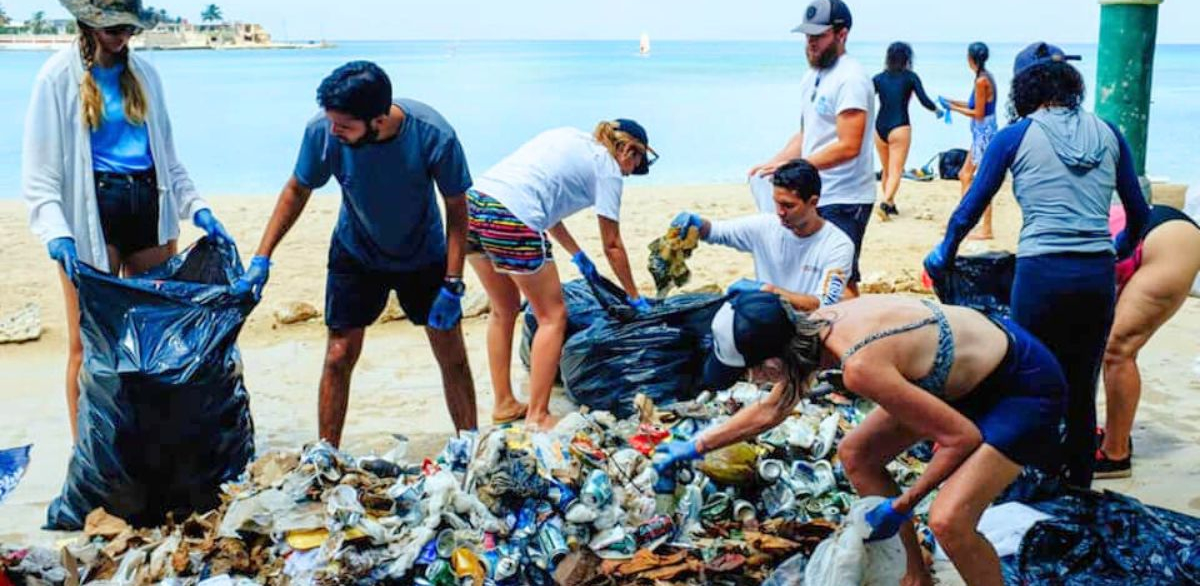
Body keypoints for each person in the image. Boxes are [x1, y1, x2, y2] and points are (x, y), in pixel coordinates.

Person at [655, 291, 1065, 586]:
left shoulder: (859, 365)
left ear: (773, 363)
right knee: (857, 454)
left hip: (1022, 387)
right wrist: (695, 447)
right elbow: (768, 410)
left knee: (948, 521)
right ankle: (915, 576)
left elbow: (960, 437)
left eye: (750, 373)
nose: (751, 381)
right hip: (958, 381)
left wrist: (901, 506)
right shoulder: (813, 328)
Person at [924, 42, 1150, 488]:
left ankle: (1028, 482)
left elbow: (971, 208)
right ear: (1070, 83)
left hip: (1041, 275)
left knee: (1027, 380)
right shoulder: (1109, 132)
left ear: (1024, 85)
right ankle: (1078, 489)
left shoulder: (1015, 136)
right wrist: (1116, 250)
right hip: (1095, 279)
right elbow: (1139, 214)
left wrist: (944, 255)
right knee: (1081, 387)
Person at [22, 0, 234, 442]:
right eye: (114, 28)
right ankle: (87, 454)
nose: (122, 38)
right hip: (91, 215)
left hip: (147, 212)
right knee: (89, 346)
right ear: (89, 24)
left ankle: (145, 445)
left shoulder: (147, 77)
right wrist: (57, 233)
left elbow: (168, 159)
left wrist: (197, 208)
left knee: (155, 341)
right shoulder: (58, 77)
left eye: (129, 29)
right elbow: (39, 176)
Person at [232, 61, 477, 446]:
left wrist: (453, 281)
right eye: (332, 122)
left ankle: (471, 443)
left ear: (378, 119)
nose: (334, 131)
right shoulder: (323, 131)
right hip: (356, 251)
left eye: (344, 126)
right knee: (338, 355)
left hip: (424, 254)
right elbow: (297, 189)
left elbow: (458, 210)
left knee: (452, 354)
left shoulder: (433, 134)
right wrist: (262, 256)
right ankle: (327, 454)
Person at [466, 121, 656, 430]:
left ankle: (504, 403)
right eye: (634, 165)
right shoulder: (607, 168)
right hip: (514, 215)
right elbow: (612, 244)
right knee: (552, 316)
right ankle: (538, 415)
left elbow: (549, 209)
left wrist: (577, 254)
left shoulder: (567, 137)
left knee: (503, 309)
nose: (629, 173)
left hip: (473, 206)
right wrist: (634, 297)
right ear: (627, 150)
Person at [750, 0, 875, 296]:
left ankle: (852, 340)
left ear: (841, 34)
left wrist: (799, 168)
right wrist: (776, 164)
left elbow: (849, 145)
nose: (811, 43)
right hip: (814, 192)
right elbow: (807, 134)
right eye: (808, 36)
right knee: (811, 272)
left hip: (845, 196)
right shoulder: (812, 77)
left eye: (819, 36)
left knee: (841, 281)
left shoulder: (851, 79)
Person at [1095, 204, 1200, 478]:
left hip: (1166, 240)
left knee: (1117, 349)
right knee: (1102, 344)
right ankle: (1108, 433)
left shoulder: (1046, 266)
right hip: (1141, 230)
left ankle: (1115, 453)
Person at [671, 159, 854, 312]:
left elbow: (825, 304)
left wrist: (770, 291)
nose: (780, 212)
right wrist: (695, 224)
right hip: (765, 320)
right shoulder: (765, 226)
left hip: (810, 327)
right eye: (777, 203)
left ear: (813, 202)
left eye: (788, 206)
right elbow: (716, 232)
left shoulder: (837, 245)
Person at [872, 42, 941, 220]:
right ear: (907, 58)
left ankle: (891, 203)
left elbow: (864, 98)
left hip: (879, 128)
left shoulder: (878, 78)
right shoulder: (910, 77)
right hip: (900, 126)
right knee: (896, 170)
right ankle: (886, 203)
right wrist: (937, 110)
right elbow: (924, 100)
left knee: (886, 169)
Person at [940, 42, 998, 240]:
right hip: (980, 135)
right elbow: (974, 104)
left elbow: (978, 113)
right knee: (965, 175)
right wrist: (951, 102)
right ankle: (964, 221)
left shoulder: (981, 81)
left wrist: (954, 109)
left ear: (970, 59)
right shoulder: (983, 77)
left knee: (983, 181)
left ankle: (986, 229)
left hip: (984, 135)